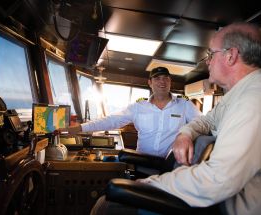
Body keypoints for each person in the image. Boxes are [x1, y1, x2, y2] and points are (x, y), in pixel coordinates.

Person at [91, 22, 261, 215]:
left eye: (211, 54)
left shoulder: (252, 101)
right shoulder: (236, 95)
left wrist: (152, 184)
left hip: (222, 207)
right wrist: (185, 133)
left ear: (230, 56)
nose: (208, 61)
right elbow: (207, 121)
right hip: (201, 190)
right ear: (150, 83)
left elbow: (217, 180)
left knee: (106, 207)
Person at [64, 66, 201, 158]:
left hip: (171, 166)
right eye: (157, 78)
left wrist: (187, 134)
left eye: (165, 78)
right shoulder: (138, 106)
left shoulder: (184, 104)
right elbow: (112, 120)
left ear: (170, 81)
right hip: (142, 162)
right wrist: (80, 128)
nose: (162, 82)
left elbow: (202, 123)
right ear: (150, 82)